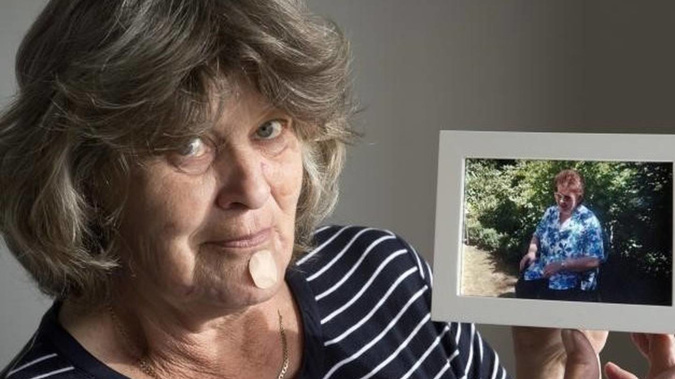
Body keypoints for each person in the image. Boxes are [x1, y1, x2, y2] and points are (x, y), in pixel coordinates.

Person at [0, 1, 672, 379]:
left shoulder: (386, 277)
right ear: (87, 179)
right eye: (187, 144)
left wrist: (543, 373)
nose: (251, 188)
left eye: (268, 128)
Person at [517, 169, 605, 302]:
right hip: (542, 272)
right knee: (522, 291)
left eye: (568, 198)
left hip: (571, 283)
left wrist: (562, 265)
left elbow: (594, 260)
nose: (561, 201)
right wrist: (531, 252)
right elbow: (537, 235)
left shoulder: (588, 220)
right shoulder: (550, 212)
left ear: (579, 197)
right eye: (558, 195)